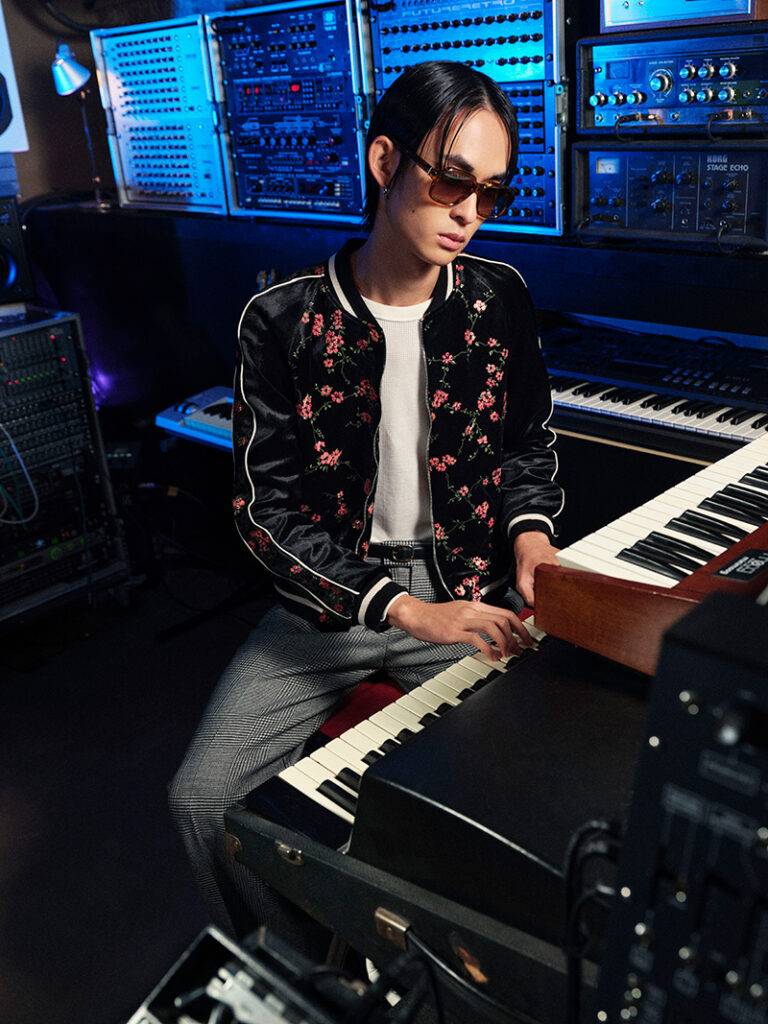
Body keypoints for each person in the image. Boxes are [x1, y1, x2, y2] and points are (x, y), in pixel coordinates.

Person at [169, 59, 563, 954]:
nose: (469, 211)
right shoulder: (280, 318)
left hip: (465, 590)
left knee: (508, 811)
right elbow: (265, 512)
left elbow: (525, 448)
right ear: (385, 162)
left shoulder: (499, 299)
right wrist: (400, 609)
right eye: (451, 179)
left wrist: (532, 542)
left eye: (491, 192)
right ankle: (299, 971)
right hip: (329, 603)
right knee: (200, 800)